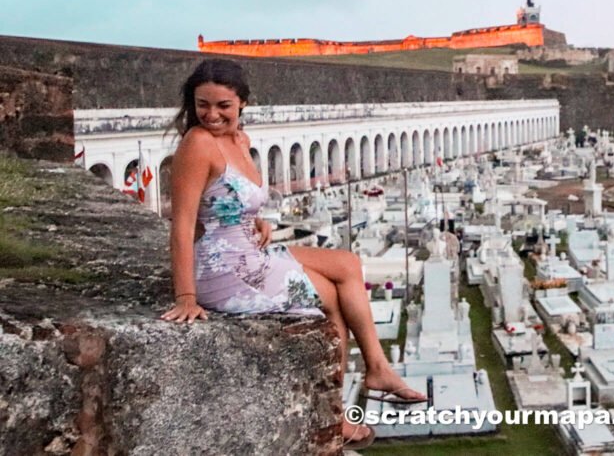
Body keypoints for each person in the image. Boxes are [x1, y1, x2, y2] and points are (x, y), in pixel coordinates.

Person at [159, 58, 425, 448]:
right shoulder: (198, 144)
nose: (211, 115)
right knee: (331, 297)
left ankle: (375, 370)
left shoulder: (241, 142)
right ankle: (342, 410)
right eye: (203, 104)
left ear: (243, 103)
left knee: (348, 263)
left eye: (223, 106)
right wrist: (186, 296)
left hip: (251, 250)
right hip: (226, 271)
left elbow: (226, 202)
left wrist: (257, 220)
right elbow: (183, 223)